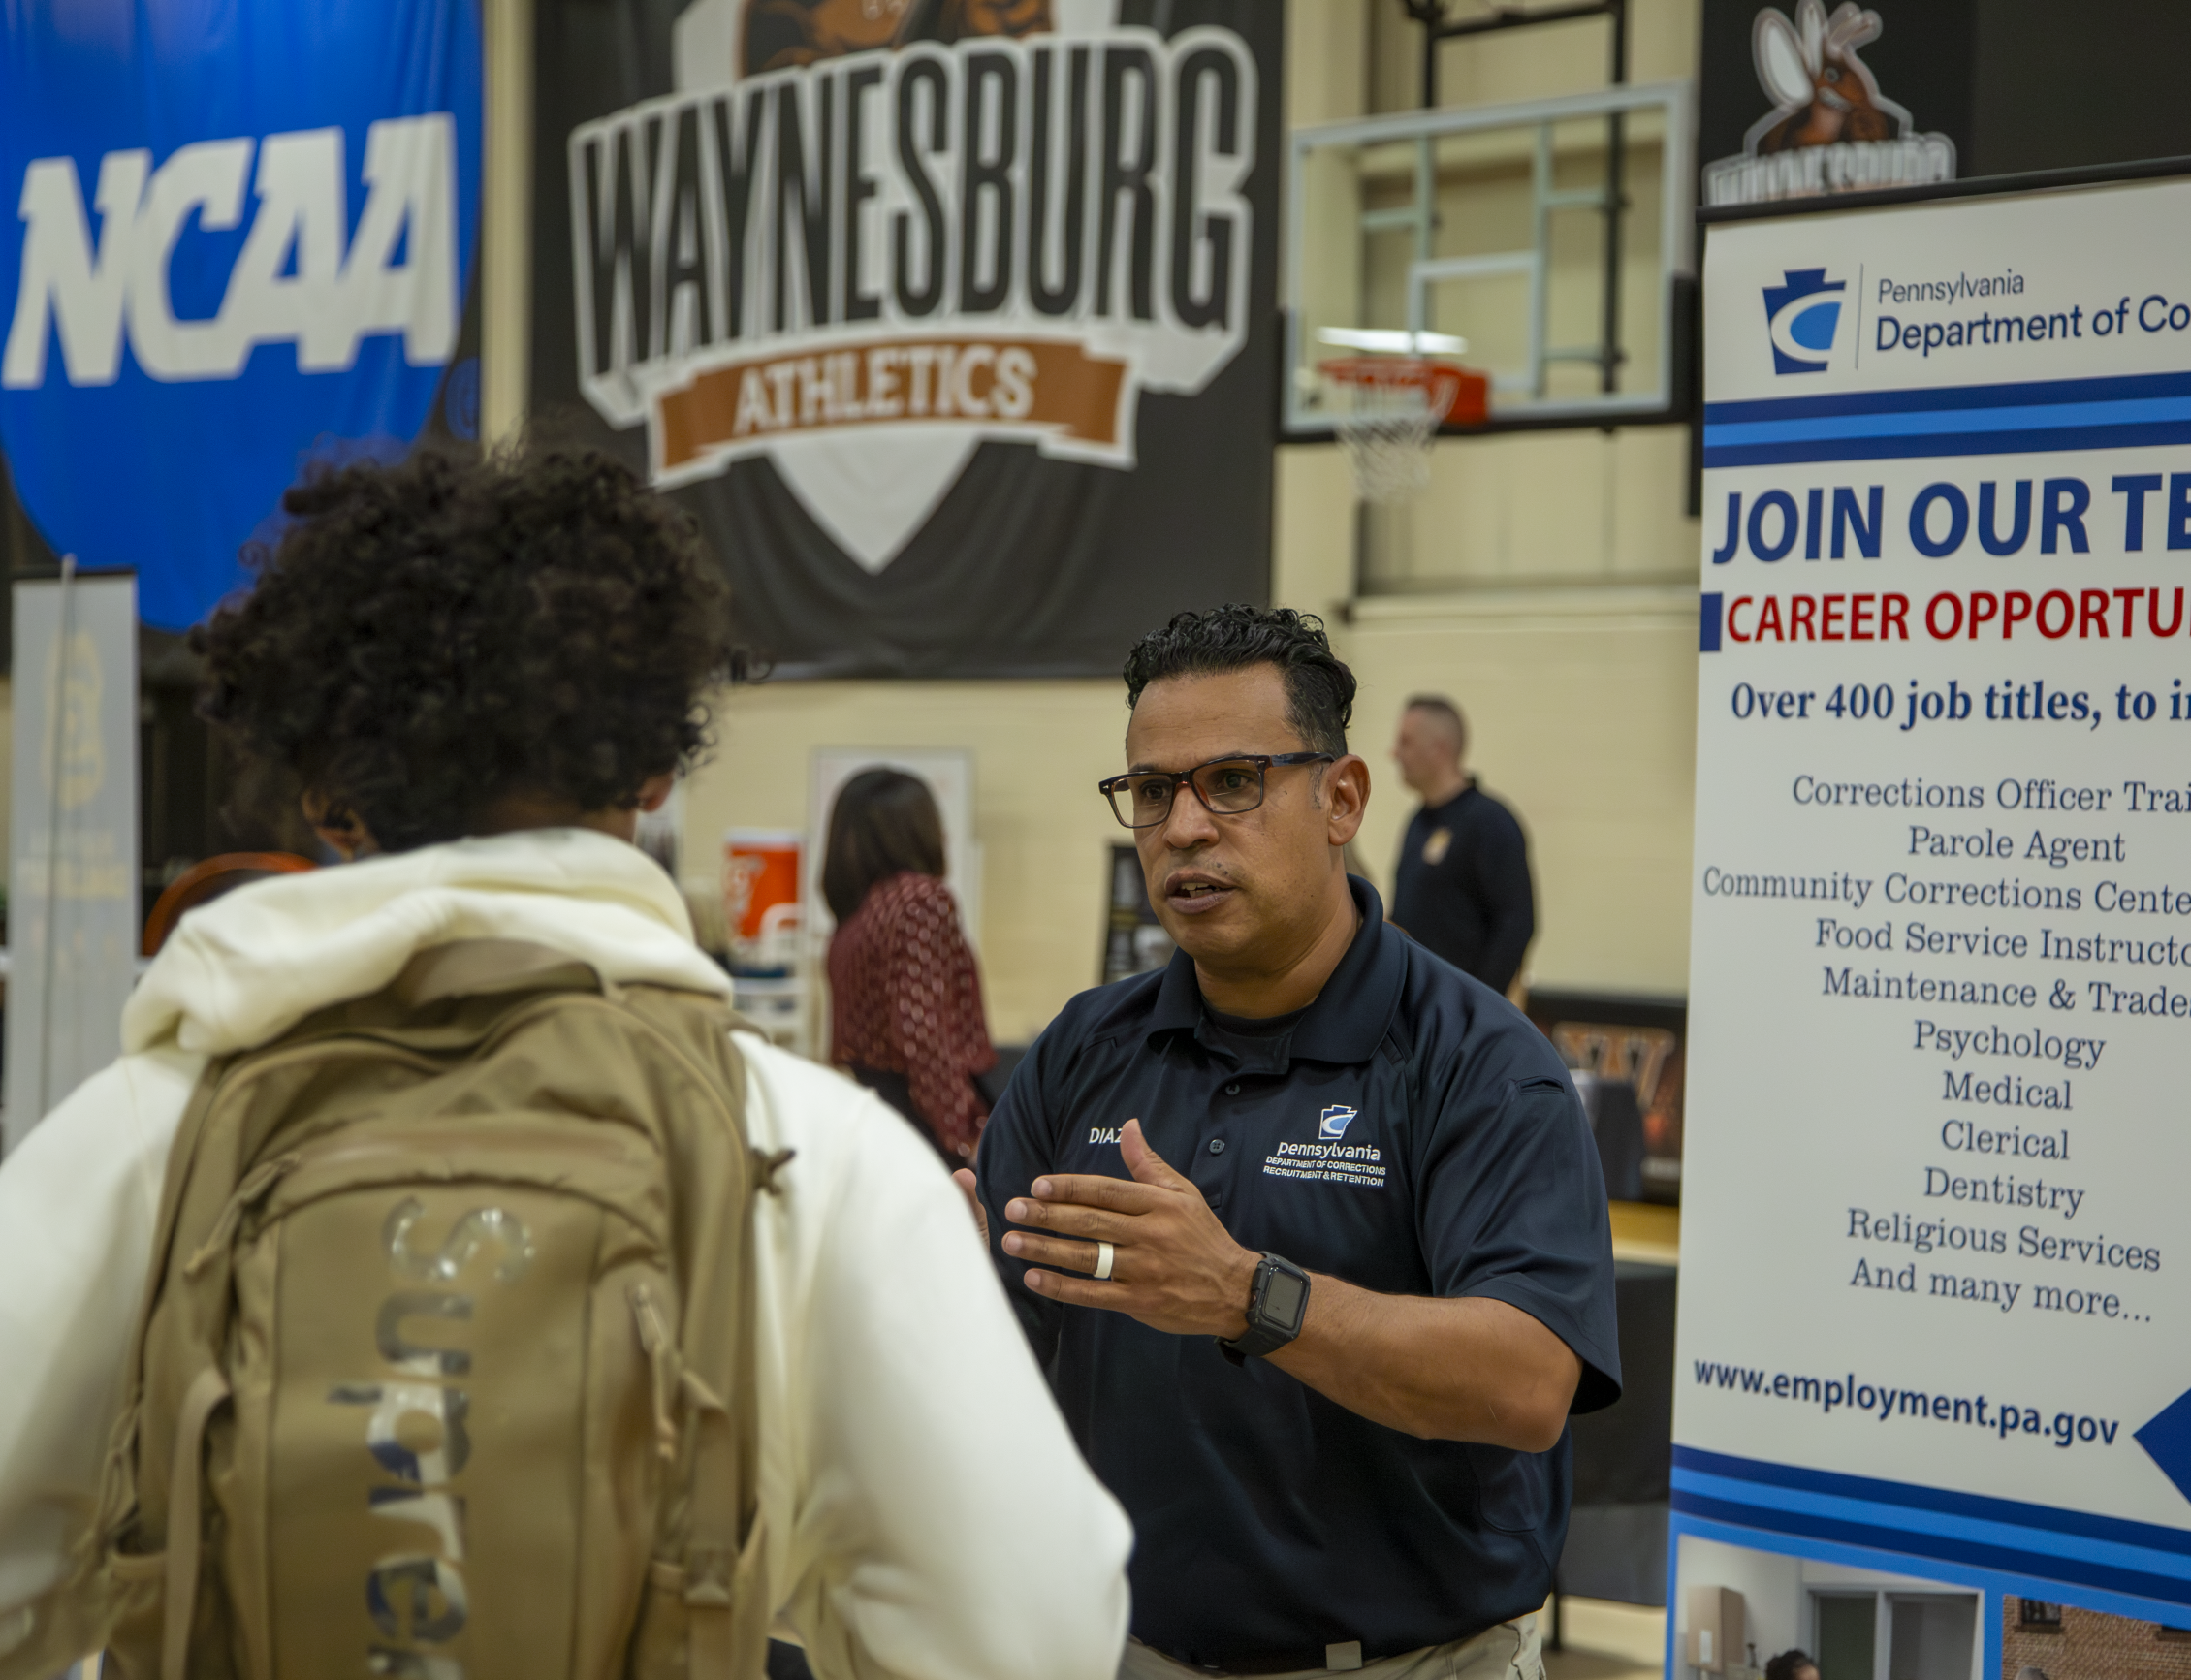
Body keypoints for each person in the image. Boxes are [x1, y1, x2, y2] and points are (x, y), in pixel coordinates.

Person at [0, 447, 1128, 1680]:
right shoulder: (806, 1148)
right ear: (654, 767)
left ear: (328, 800)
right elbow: (1032, 1626)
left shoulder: (148, 1131)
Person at [967, 605, 1619, 1678]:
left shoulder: (1478, 1063)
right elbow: (1009, 1344)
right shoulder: (1085, 1045)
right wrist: (940, 1276)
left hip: (1408, 1660)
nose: (1181, 826)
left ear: (1340, 798)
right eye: (1150, 790)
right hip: (1119, 1648)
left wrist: (1242, 1293)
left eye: (1231, 781)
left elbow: (1527, 1381)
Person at [821, 766, 997, 1164]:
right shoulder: (920, 901)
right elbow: (923, 1033)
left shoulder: (856, 915)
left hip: (877, 1110)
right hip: (923, 1117)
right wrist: (966, 1136)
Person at [1388, 695, 1535, 996]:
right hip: (1417, 1009)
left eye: (1406, 742)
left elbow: (1516, 923)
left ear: (1438, 749)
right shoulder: (1417, 822)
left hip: (1464, 1017)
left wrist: (1478, 1005)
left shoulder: (1490, 822)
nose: (1394, 753)